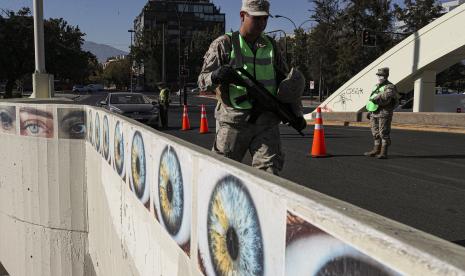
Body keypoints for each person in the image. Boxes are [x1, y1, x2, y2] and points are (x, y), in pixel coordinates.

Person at [198, 0, 305, 175]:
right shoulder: (223, 44)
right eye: (256, 18)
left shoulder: (271, 46)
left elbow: (287, 82)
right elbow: (202, 80)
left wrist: (296, 112)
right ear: (242, 16)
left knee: (270, 175)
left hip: (267, 121)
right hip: (234, 122)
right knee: (222, 174)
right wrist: (216, 76)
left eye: (264, 18)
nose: (262, 23)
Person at [364, 67, 399, 159]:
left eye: (382, 75)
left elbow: (386, 98)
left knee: (383, 132)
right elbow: (371, 99)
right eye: (378, 75)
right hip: (374, 112)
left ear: (386, 76)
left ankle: (384, 152)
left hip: (384, 112)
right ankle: (376, 150)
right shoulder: (376, 86)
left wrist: (375, 99)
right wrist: (369, 110)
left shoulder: (390, 86)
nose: (380, 77)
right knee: (375, 132)